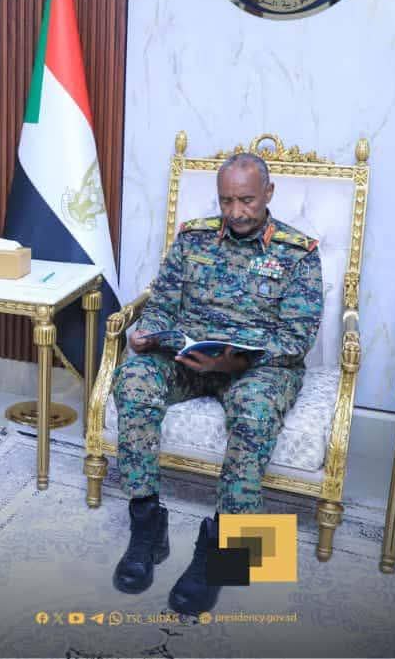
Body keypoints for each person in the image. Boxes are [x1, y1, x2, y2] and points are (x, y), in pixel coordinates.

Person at [110, 152, 323, 615]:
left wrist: (234, 359)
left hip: (259, 365)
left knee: (256, 412)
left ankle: (222, 555)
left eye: (247, 200)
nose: (236, 212)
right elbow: (162, 304)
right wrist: (148, 332)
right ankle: (147, 526)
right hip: (189, 357)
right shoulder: (193, 238)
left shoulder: (298, 252)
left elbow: (297, 338)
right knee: (132, 378)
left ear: (268, 193)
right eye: (227, 201)